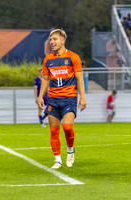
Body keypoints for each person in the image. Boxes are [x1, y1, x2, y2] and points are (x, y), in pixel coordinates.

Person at [38, 29, 86, 169]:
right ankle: (58, 160)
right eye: (51, 39)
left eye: (55, 39)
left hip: (69, 97)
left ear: (63, 40)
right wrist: (41, 96)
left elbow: (79, 79)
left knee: (67, 127)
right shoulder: (47, 59)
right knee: (54, 130)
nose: (52, 42)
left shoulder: (73, 57)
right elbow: (46, 79)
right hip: (53, 98)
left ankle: (70, 149)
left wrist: (82, 98)